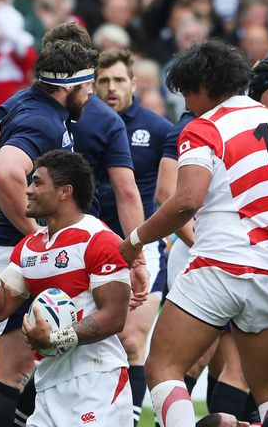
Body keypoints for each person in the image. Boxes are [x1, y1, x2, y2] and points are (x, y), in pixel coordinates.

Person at [118, 40, 268, 425]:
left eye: (187, 94)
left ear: (201, 87)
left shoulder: (204, 128)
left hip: (218, 268)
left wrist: (134, 241)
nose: (187, 105)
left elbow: (185, 201)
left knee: (162, 368)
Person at [0, 37, 99, 427]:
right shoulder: (41, 119)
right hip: (30, 254)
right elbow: (1, 173)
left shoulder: (20, 103)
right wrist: (34, 236)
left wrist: (9, 220)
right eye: (88, 85)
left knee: (20, 367)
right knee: (13, 370)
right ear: (69, 86)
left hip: (20, 248)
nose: (91, 94)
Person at [0, 150, 133, 426]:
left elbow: (115, 317)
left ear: (65, 192)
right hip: (47, 385)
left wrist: (54, 339)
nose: (29, 190)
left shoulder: (100, 239)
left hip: (96, 382)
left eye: (37, 183)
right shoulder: (30, 247)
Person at [94, 47, 173, 426]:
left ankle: (129, 420)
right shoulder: (80, 125)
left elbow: (171, 192)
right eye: (103, 81)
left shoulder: (159, 130)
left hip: (142, 246)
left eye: (119, 80)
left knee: (130, 340)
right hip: (89, 245)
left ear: (134, 83)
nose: (111, 88)